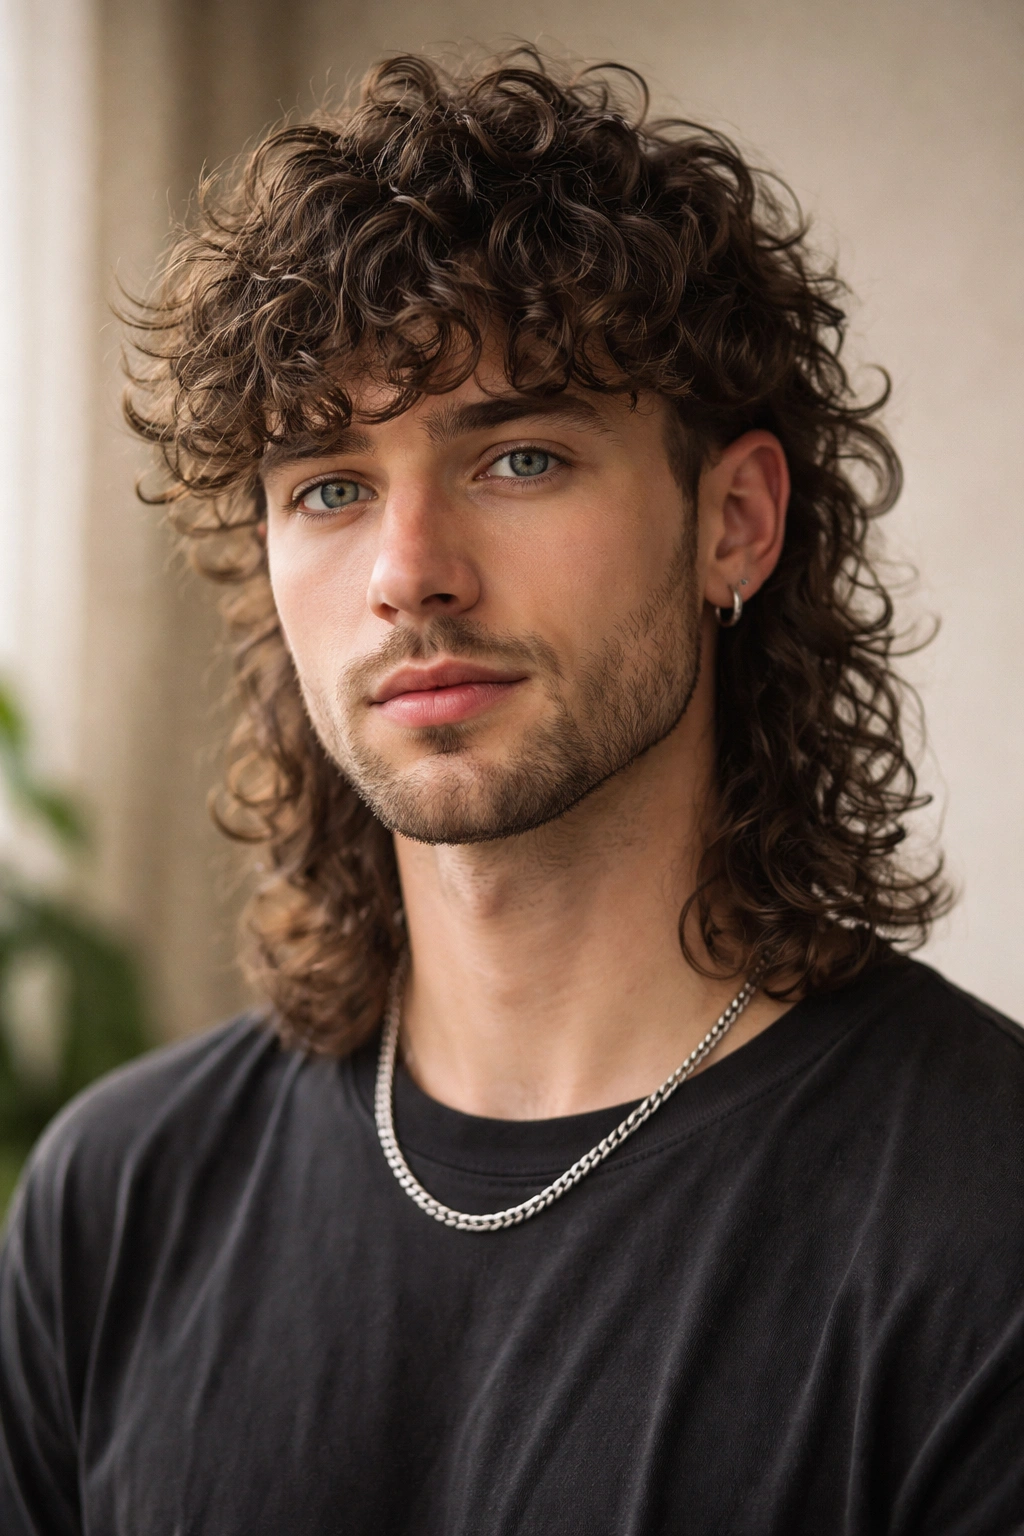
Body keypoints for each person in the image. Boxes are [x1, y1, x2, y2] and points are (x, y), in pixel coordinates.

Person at [2, 49, 1022, 1536]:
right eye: (330, 487)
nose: (409, 572)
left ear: (735, 523)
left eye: (522, 457)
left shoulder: (983, 1216)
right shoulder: (114, 1202)